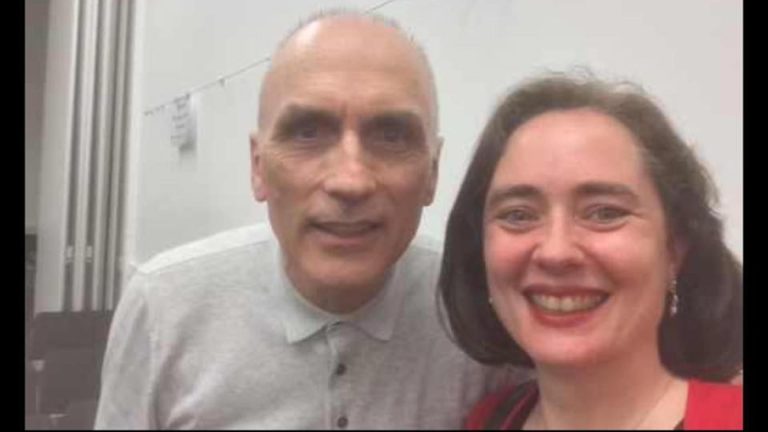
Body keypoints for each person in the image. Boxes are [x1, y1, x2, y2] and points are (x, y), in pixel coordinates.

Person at [95, 10, 518, 429]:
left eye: (391, 136)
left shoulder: (478, 310)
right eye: (307, 133)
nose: (350, 181)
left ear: (432, 172)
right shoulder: (163, 310)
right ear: (258, 167)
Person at [438, 73, 742, 429]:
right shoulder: (485, 420)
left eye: (605, 213)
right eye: (518, 215)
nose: (556, 252)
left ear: (674, 250)